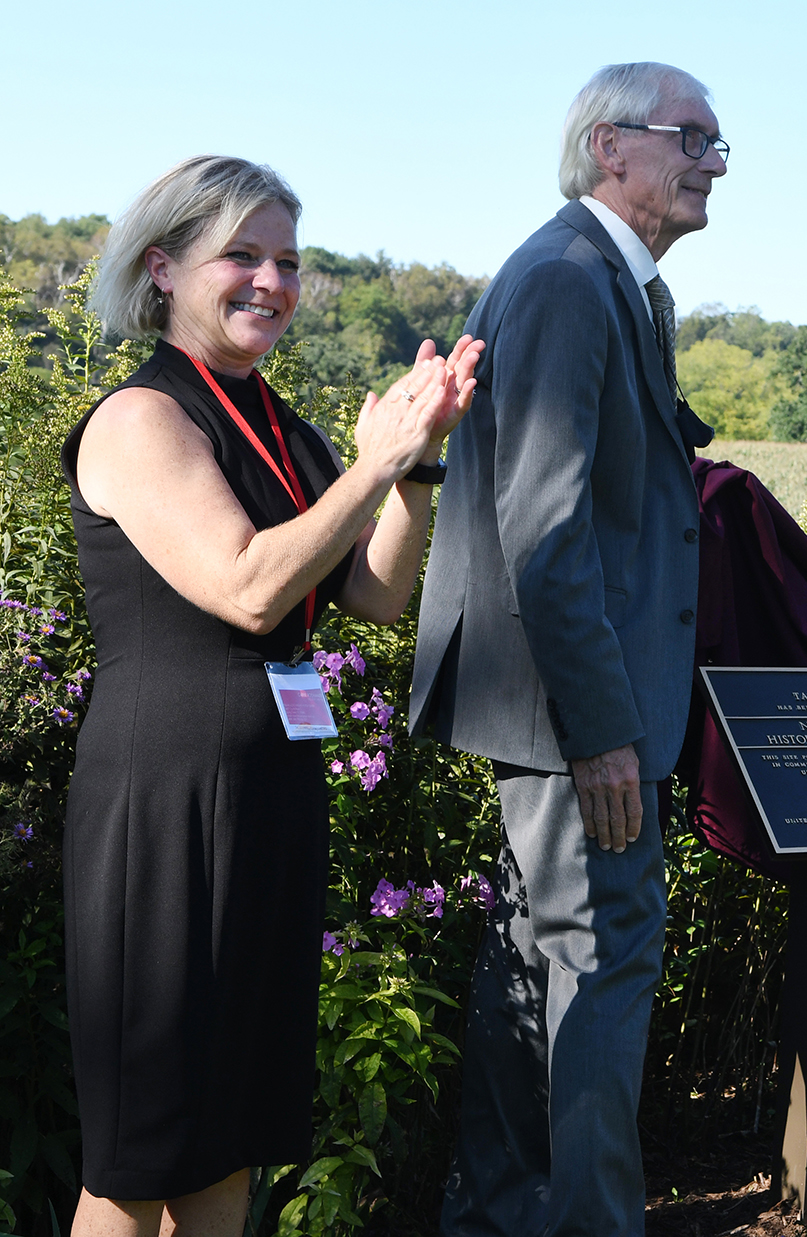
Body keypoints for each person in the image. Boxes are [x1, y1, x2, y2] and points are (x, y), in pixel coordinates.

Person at [65, 154, 481, 1237]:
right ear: (163, 270)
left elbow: (377, 599)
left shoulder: (277, 424)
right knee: (142, 1150)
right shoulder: (141, 420)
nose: (272, 281)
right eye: (240, 255)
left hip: (266, 800)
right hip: (162, 804)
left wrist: (417, 462)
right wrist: (371, 461)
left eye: (288, 261)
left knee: (232, 1129)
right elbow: (249, 589)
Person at [406, 62, 723, 1237]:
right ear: (609, 147)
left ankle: (497, 1217)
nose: (713, 163)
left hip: (571, 713)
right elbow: (544, 531)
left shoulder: (601, 282)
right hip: (575, 720)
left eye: (717, 143)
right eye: (692, 138)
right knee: (600, 964)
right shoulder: (568, 280)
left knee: (540, 972)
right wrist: (602, 731)